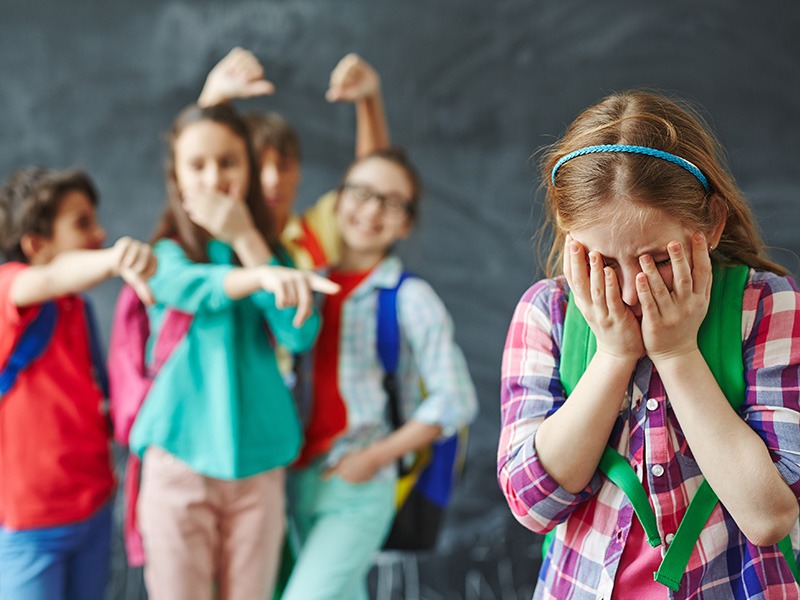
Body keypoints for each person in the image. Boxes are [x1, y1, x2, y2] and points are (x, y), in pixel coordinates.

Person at [498, 90, 800, 599]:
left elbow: (768, 517)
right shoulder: (547, 312)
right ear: (569, 237)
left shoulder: (768, 305)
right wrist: (614, 356)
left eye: (658, 260)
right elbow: (532, 506)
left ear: (712, 224)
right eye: (601, 263)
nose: (631, 291)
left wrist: (678, 353)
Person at [126, 102, 338, 600]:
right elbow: (196, 288)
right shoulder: (166, 254)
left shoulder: (272, 252)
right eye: (196, 165)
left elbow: (299, 333)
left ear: (249, 168)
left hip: (259, 464)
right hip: (179, 458)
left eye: (228, 162)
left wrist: (247, 239)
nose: (214, 177)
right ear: (176, 177)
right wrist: (260, 277)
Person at [281, 147, 479, 600]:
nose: (371, 211)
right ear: (338, 199)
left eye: (391, 202)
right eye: (361, 193)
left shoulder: (409, 297)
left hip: (358, 484)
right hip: (295, 480)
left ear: (406, 223)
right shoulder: (305, 284)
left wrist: (373, 459)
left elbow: (456, 399)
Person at [0, 167, 156, 599]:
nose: (99, 232)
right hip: (29, 525)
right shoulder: (9, 288)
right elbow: (49, 277)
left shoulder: (77, 309)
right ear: (36, 245)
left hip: (94, 508)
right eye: (82, 223)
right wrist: (117, 258)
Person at [197, 46, 390, 269]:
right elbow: (196, 166)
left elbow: (374, 182)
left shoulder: (316, 234)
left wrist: (369, 101)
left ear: (299, 172)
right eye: (257, 167)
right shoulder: (214, 235)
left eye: (285, 166)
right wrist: (213, 97)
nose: (273, 180)